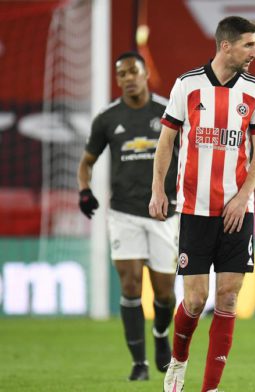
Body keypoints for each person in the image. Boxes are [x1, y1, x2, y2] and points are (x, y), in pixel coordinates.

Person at [149, 16, 255, 392]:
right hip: (194, 209)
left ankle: (210, 388)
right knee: (196, 299)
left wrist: (242, 196)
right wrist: (158, 189)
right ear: (226, 45)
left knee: (229, 297)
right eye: (249, 45)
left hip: (238, 211)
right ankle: (178, 362)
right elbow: (167, 142)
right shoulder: (187, 85)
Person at [77, 51, 177, 382]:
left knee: (164, 292)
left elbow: (189, 153)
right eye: (121, 74)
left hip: (164, 212)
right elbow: (87, 161)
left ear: (146, 72)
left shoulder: (167, 111)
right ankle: (139, 363)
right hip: (122, 212)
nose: (128, 78)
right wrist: (84, 190)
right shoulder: (107, 118)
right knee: (131, 284)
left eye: (133, 71)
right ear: (117, 79)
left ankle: (161, 336)